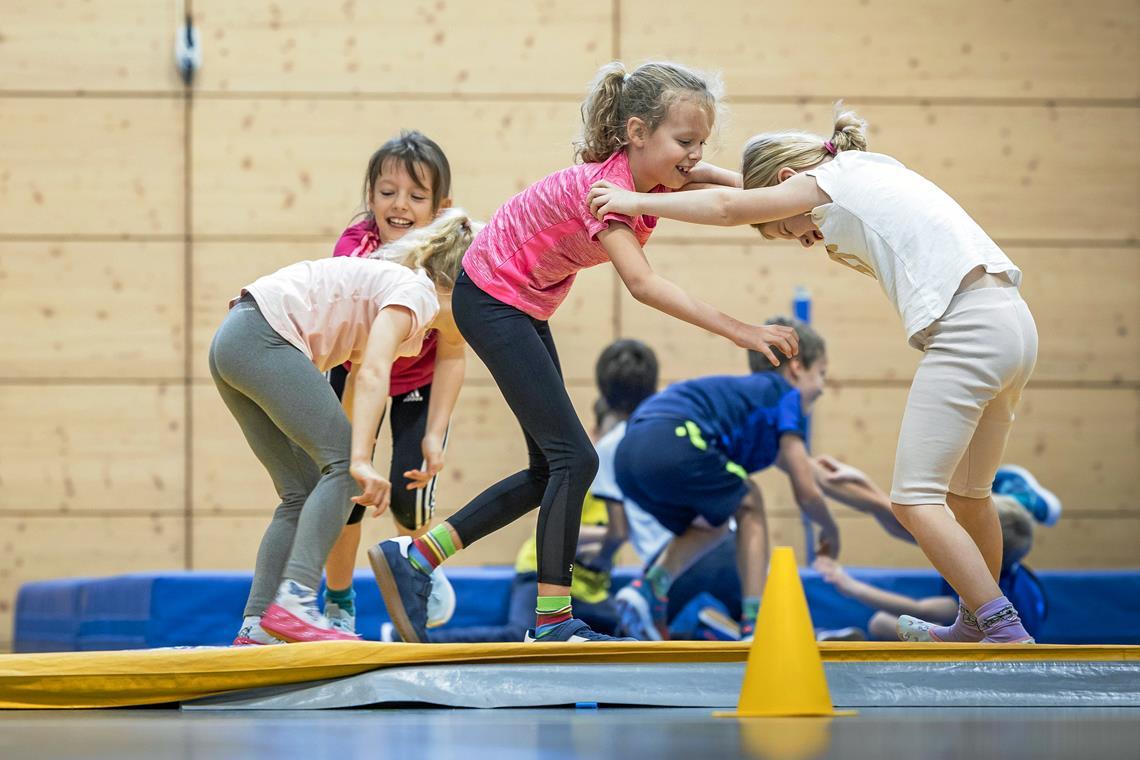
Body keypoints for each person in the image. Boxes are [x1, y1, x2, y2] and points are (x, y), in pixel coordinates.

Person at [367, 60, 799, 645]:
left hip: (516, 302)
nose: (695, 156)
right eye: (685, 142)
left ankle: (417, 557)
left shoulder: (649, 178)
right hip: (493, 299)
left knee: (554, 466)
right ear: (639, 133)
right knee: (578, 459)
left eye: (701, 143)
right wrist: (742, 331)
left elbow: (715, 185)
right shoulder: (608, 194)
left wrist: (783, 191)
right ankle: (550, 621)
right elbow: (644, 286)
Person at [588, 103, 1038, 643]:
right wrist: (705, 173)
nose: (807, 240)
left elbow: (735, 207)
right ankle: (977, 618)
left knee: (915, 497)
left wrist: (630, 199)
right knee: (970, 496)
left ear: (786, 182)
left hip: (968, 332)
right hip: (1012, 323)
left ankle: (999, 625)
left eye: (789, 229)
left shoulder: (830, 179)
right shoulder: (865, 170)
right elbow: (761, 195)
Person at [223, 210, 479, 644]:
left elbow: (360, 375)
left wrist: (350, 454)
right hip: (263, 336)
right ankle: (296, 600)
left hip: (234, 341)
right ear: (463, 287)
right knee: (341, 467)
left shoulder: (407, 306)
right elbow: (376, 371)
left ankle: (255, 627)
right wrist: (356, 460)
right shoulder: (416, 293)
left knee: (300, 493)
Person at [613, 316, 839, 640]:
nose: (821, 388)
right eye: (821, 375)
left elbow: (814, 474)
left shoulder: (746, 403)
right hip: (672, 438)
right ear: (797, 368)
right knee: (750, 501)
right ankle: (755, 622)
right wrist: (831, 530)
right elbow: (807, 490)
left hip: (628, 459)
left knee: (713, 523)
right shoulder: (783, 393)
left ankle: (648, 590)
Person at [322, 131, 463, 636]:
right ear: (370, 197)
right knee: (348, 490)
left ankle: (422, 566)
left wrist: (435, 431)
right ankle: (338, 601)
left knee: (409, 490)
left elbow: (452, 350)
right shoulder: (354, 251)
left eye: (416, 196)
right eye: (387, 192)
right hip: (360, 369)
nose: (399, 206)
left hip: (419, 379)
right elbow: (363, 364)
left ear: (440, 205)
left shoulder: (450, 255)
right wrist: (357, 454)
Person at [809, 459, 1053, 640]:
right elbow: (904, 525)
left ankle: (1029, 503)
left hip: (988, 643)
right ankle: (1030, 504)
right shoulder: (996, 564)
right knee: (921, 525)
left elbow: (919, 608)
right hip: (999, 624)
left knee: (882, 623)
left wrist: (851, 586)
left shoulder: (986, 588)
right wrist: (865, 483)